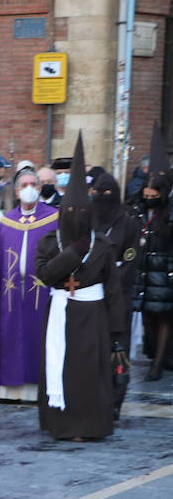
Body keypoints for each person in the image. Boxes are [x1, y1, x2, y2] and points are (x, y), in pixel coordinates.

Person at [34, 136, 120, 441]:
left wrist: (116, 334)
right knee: (59, 365)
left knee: (86, 374)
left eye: (81, 213)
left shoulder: (104, 246)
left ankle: (88, 425)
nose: (75, 219)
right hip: (60, 310)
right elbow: (44, 275)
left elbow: (113, 289)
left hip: (91, 316)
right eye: (69, 212)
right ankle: (59, 422)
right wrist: (72, 253)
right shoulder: (49, 242)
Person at [0, 168, 58, 401]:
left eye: (33, 184)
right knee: (10, 335)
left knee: (38, 336)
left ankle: (37, 389)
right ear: (16, 191)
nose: (29, 189)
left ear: (40, 188)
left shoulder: (53, 218)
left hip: (41, 291)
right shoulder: (8, 221)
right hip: (10, 292)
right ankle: (9, 388)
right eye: (24, 185)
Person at [91, 169, 140, 415]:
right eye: (98, 192)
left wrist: (109, 280)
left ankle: (115, 401)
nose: (102, 197)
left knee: (117, 348)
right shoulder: (89, 219)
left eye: (107, 193)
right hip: (92, 294)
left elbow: (130, 260)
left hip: (119, 295)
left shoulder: (129, 223)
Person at [133, 128, 173, 379]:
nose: (149, 199)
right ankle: (154, 356)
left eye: (154, 196)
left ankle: (157, 364)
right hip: (144, 270)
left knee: (163, 318)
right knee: (147, 319)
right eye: (146, 196)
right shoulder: (138, 210)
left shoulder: (168, 215)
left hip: (165, 270)